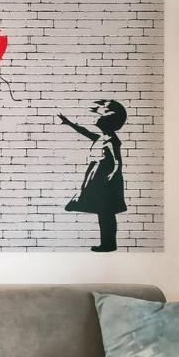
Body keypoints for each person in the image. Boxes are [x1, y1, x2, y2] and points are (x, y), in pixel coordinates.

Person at [57, 100, 128, 252]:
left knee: (106, 214)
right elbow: (85, 131)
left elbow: (117, 162)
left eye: (102, 114)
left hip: (106, 181)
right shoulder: (101, 138)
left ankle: (108, 245)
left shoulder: (111, 140)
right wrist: (69, 123)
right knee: (103, 213)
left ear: (109, 120)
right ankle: (107, 244)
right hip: (98, 177)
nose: (96, 117)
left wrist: (112, 175)